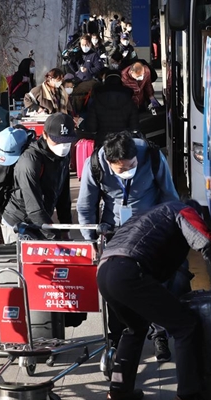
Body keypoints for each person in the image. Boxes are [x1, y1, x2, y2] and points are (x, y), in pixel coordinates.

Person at [97, 199, 211, 400]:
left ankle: (119, 390)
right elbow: (204, 240)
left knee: (135, 327)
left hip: (105, 271)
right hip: (127, 271)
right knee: (185, 325)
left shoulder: (150, 213)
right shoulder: (184, 210)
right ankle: (187, 396)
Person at [77, 131, 180, 360]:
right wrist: (90, 239)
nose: (127, 172)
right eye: (120, 170)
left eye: (131, 166)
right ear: (109, 162)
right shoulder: (94, 164)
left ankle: (160, 335)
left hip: (150, 230)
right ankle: (118, 337)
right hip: (115, 232)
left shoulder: (151, 156)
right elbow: (85, 206)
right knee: (115, 288)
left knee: (156, 285)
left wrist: (171, 229)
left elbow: (169, 195)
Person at [0, 113, 76, 243]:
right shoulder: (30, 160)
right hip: (20, 223)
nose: (63, 146)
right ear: (45, 135)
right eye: (57, 140)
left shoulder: (64, 156)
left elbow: (63, 194)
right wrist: (55, 237)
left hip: (42, 220)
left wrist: (65, 229)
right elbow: (33, 208)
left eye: (67, 141)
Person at [83, 71, 139, 147]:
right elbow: (134, 126)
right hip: (123, 141)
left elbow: (92, 127)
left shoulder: (97, 99)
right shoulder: (129, 100)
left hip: (103, 140)